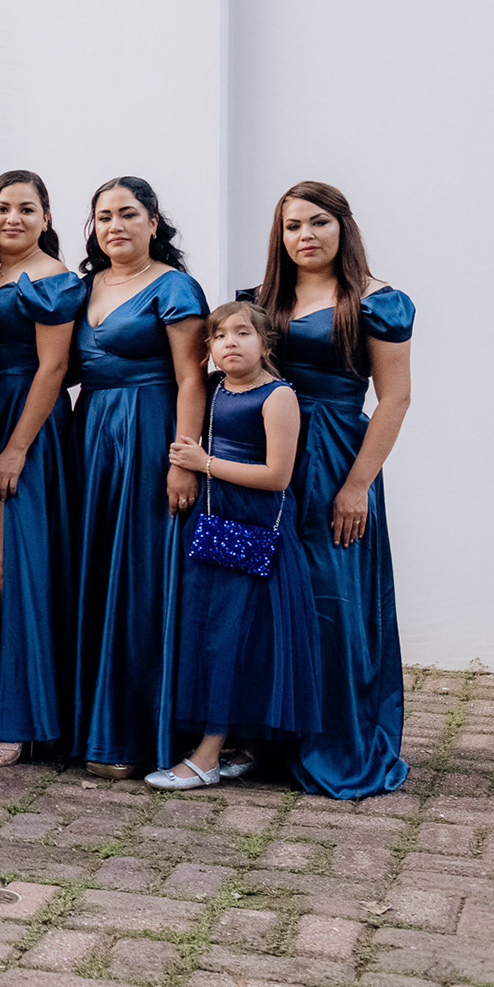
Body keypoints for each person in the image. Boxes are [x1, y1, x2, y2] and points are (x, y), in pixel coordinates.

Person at [246, 182, 413, 798]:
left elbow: (395, 398)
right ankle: (265, 738)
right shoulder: (262, 300)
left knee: (330, 599)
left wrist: (357, 485)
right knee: (262, 592)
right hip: (267, 453)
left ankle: (337, 742)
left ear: (343, 226)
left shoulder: (377, 302)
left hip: (336, 458)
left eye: (318, 222)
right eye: (292, 226)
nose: (305, 236)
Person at [150, 300, 322, 790]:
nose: (230, 343)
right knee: (209, 634)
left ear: (265, 344)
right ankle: (235, 745)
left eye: (243, 333)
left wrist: (203, 463)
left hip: (255, 530)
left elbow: (277, 476)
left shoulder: (277, 396)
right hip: (213, 524)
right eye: (220, 335)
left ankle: (206, 758)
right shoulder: (214, 388)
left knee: (234, 638)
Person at [68, 177, 208, 779]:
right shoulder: (85, 286)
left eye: (128, 214)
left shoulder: (174, 287)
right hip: (91, 432)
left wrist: (182, 458)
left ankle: (133, 730)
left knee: (140, 576)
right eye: (104, 217)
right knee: (95, 570)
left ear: (154, 222)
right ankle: (87, 722)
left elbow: (192, 378)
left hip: (150, 431)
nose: (115, 226)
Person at [0, 172, 82, 767]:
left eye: (27, 209)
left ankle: (21, 720)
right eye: (2, 208)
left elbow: (53, 369)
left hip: (27, 424)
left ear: (46, 217)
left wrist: (16, 449)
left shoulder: (54, 278)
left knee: (15, 563)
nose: (13, 218)